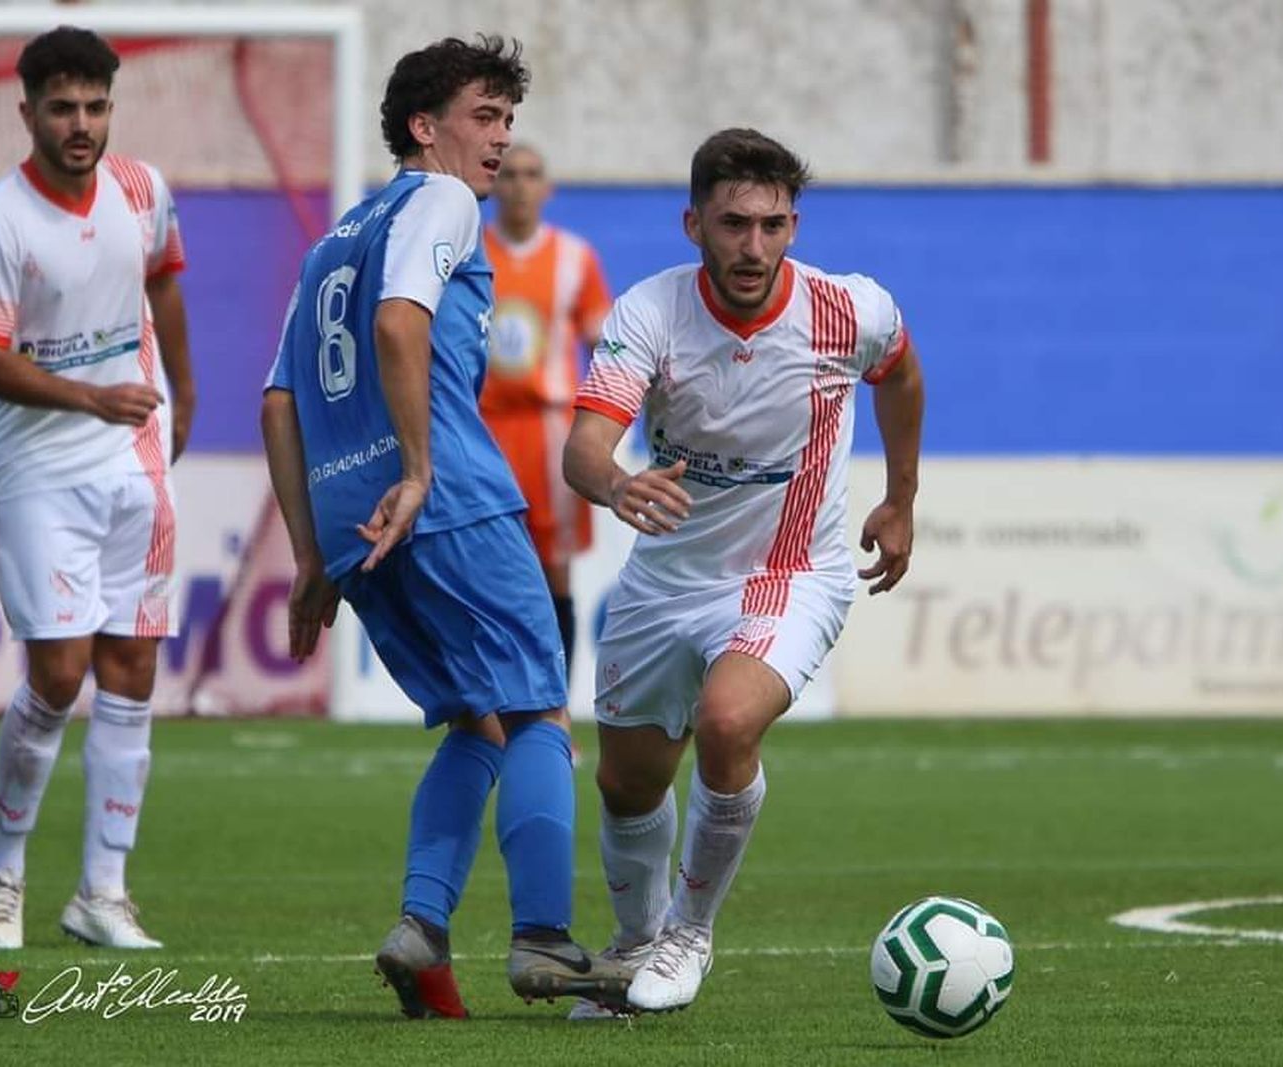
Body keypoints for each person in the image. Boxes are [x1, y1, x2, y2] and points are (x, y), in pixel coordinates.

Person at [260, 35, 628, 1020]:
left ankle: (421, 929)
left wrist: (309, 554)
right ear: (425, 127)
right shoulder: (441, 200)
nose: (500, 140)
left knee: (478, 718)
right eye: (483, 116)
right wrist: (422, 470)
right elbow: (397, 324)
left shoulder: (334, 236)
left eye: (508, 120)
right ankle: (544, 935)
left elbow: (280, 403)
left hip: (352, 524)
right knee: (542, 706)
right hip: (447, 497)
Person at [563, 127, 924, 1015]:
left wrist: (901, 498)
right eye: (733, 224)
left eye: (771, 224)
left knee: (727, 724)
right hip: (665, 578)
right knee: (626, 782)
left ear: (795, 225)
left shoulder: (851, 309)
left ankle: (688, 932)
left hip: (789, 572)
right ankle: (636, 947)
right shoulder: (649, 313)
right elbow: (583, 448)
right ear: (694, 224)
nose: (753, 246)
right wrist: (615, 482)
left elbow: (903, 376)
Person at [0, 26, 195, 952]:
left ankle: (102, 890)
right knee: (58, 673)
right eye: (62, 107)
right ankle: (4, 871)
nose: (81, 123)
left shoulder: (143, 189)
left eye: (95, 105)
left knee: (132, 667)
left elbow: (165, 279)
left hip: (132, 456)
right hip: (41, 470)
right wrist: (94, 397)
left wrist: (185, 385)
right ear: (28, 114)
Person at [482, 144, 612, 678]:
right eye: (508, 174)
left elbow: (605, 343)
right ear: (494, 185)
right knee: (486, 572)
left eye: (531, 175)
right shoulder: (466, 255)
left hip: (550, 431)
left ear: (546, 188)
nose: (518, 185)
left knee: (553, 572)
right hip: (482, 429)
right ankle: (492, 713)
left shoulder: (574, 258)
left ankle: (553, 711)